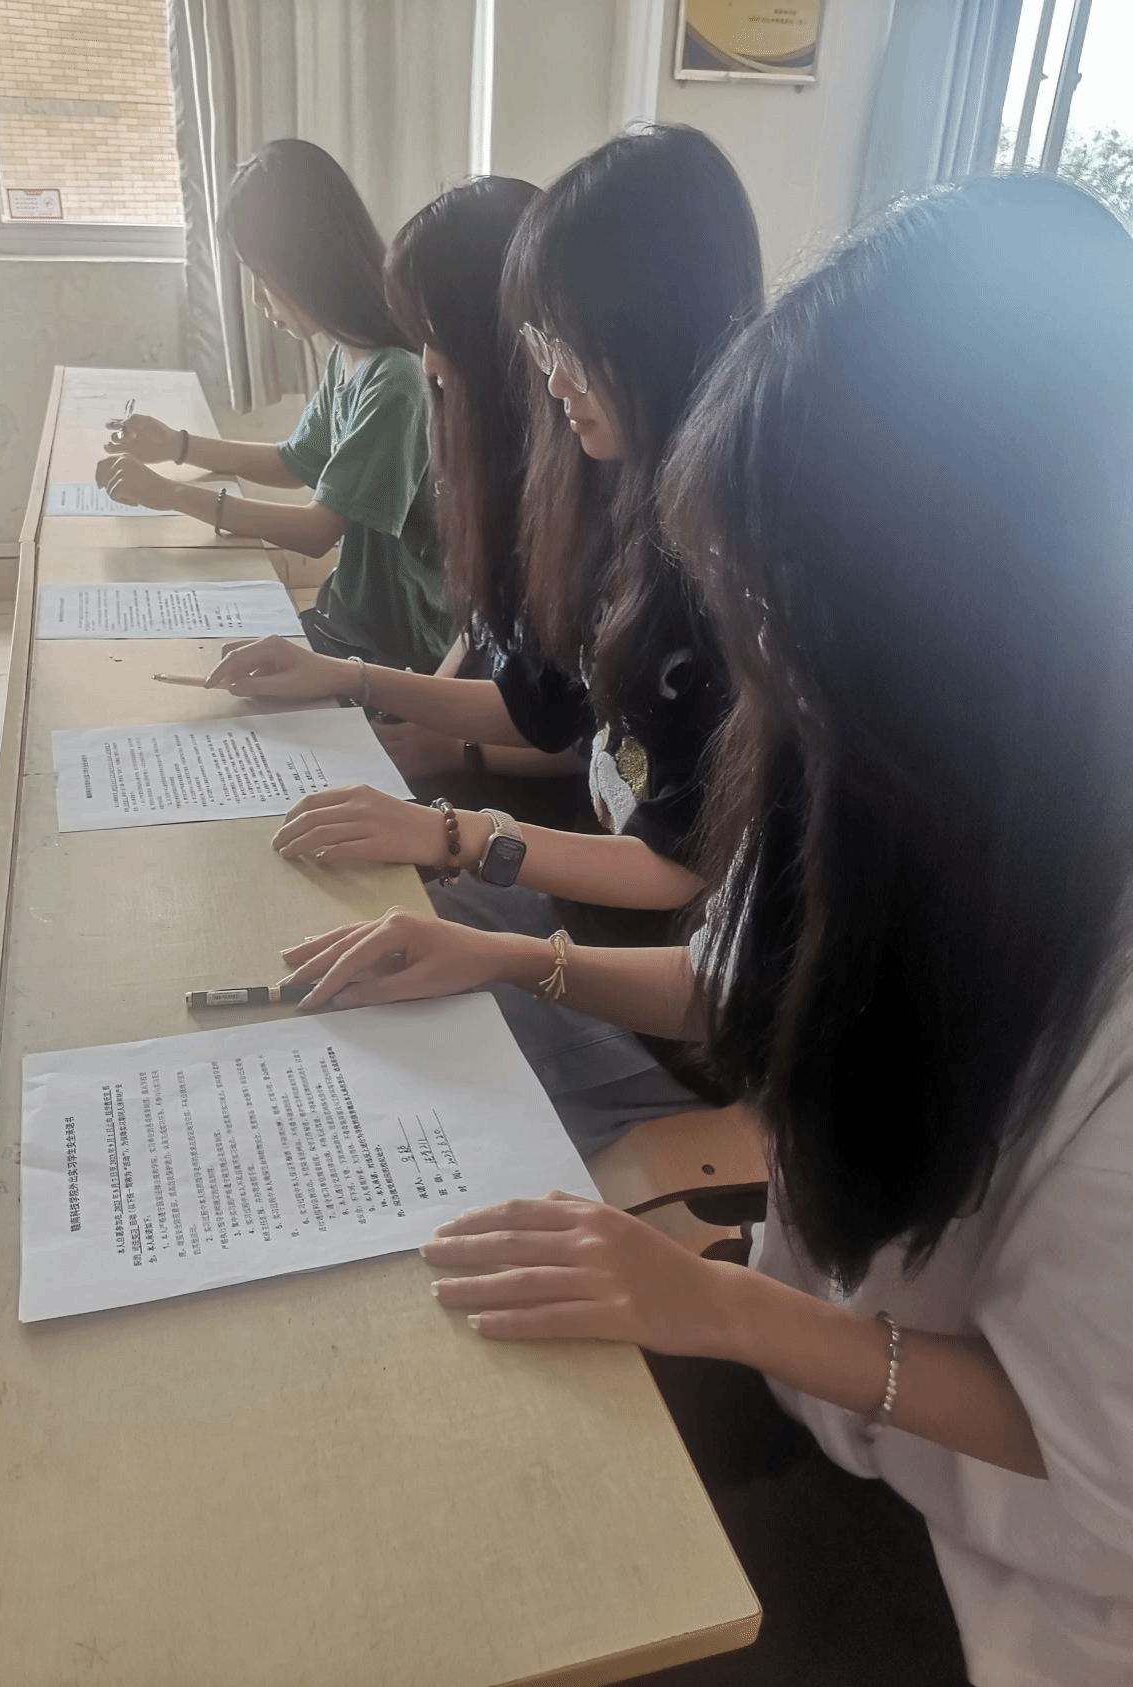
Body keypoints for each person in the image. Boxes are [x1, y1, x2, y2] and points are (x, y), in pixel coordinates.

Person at [276, 174, 1133, 1684]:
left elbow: (1095, 1458)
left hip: (1004, 1582)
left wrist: (717, 1299)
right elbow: (745, 981)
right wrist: (506, 951)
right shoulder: (911, 779)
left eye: (793, 611)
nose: (767, 661)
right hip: (829, 1388)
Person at [204, 127, 764, 1150]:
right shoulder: (620, 498)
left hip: (653, 998)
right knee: (323, 956)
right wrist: (355, 689)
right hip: (602, 929)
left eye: (565, 342)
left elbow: (678, 876)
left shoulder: (722, 569)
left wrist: (454, 834)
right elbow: (546, 712)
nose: (548, 376)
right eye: (539, 342)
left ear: (650, 330)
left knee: (365, 1091)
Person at [95, 138, 450, 674]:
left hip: (398, 649)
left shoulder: (394, 380)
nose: (258, 299)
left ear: (308, 265)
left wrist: (169, 494)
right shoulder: (350, 354)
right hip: (351, 618)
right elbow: (295, 461)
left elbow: (315, 532)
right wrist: (177, 446)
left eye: (264, 276)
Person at [376, 175, 589, 825]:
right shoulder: (492, 468)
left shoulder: (583, 494)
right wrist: (411, 711)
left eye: (437, 334)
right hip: (485, 774)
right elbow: (479, 632)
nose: (426, 362)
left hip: (546, 813)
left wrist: (451, 749)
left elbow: (589, 741)